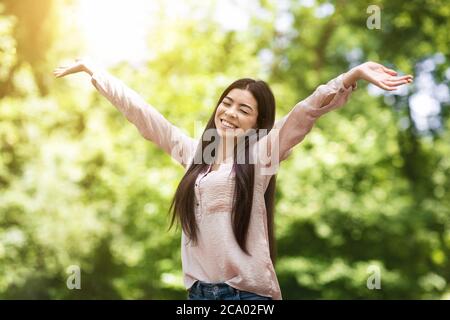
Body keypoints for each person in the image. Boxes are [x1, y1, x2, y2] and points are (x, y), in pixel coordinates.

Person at [53, 59, 413, 300]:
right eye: (227, 103)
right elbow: (146, 117)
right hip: (198, 296)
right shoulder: (195, 156)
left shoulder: (261, 156)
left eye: (244, 109)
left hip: (246, 296)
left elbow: (303, 113)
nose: (230, 113)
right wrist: (95, 71)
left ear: (257, 124)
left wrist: (352, 75)